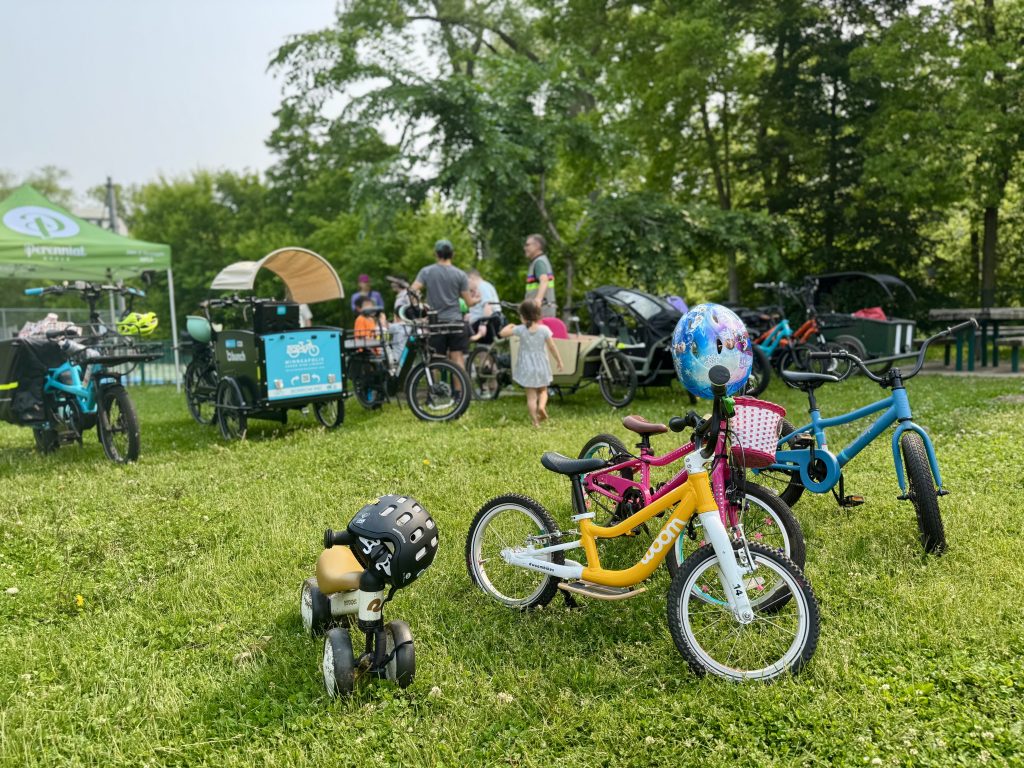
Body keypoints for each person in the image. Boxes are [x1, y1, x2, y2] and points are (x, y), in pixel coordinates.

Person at [410, 239, 477, 370]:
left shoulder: (427, 272)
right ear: (453, 254)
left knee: (434, 359)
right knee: (457, 358)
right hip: (455, 322)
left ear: (436, 254)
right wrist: (477, 300)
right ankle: (460, 390)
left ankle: (436, 390)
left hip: (436, 322)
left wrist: (419, 306)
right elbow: (469, 302)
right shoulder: (460, 274)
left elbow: (412, 290)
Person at [499, 299, 564, 427]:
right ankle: (541, 407)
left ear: (522, 316)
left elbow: (502, 333)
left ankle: (535, 422)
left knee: (531, 397)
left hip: (526, 367)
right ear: (538, 314)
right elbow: (552, 347)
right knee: (543, 391)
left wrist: (511, 325)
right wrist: (559, 361)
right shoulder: (544, 329)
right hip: (541, 365)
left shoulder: (521, 329)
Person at [524, 233, 556, 318]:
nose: (525, 248)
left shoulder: (539, 262)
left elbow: (544, 281)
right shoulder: (542, 261)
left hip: (540, 312)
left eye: (527, 245)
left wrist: (537, 301)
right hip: (544, 310)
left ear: (537, 246)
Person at [467, 268, 501, 343]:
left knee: (458, 336)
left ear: (471, 278)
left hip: (484, 323)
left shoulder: (482, 286)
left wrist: (483, 324)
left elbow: (488, 306)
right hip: (481, 321)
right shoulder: (483, 286)